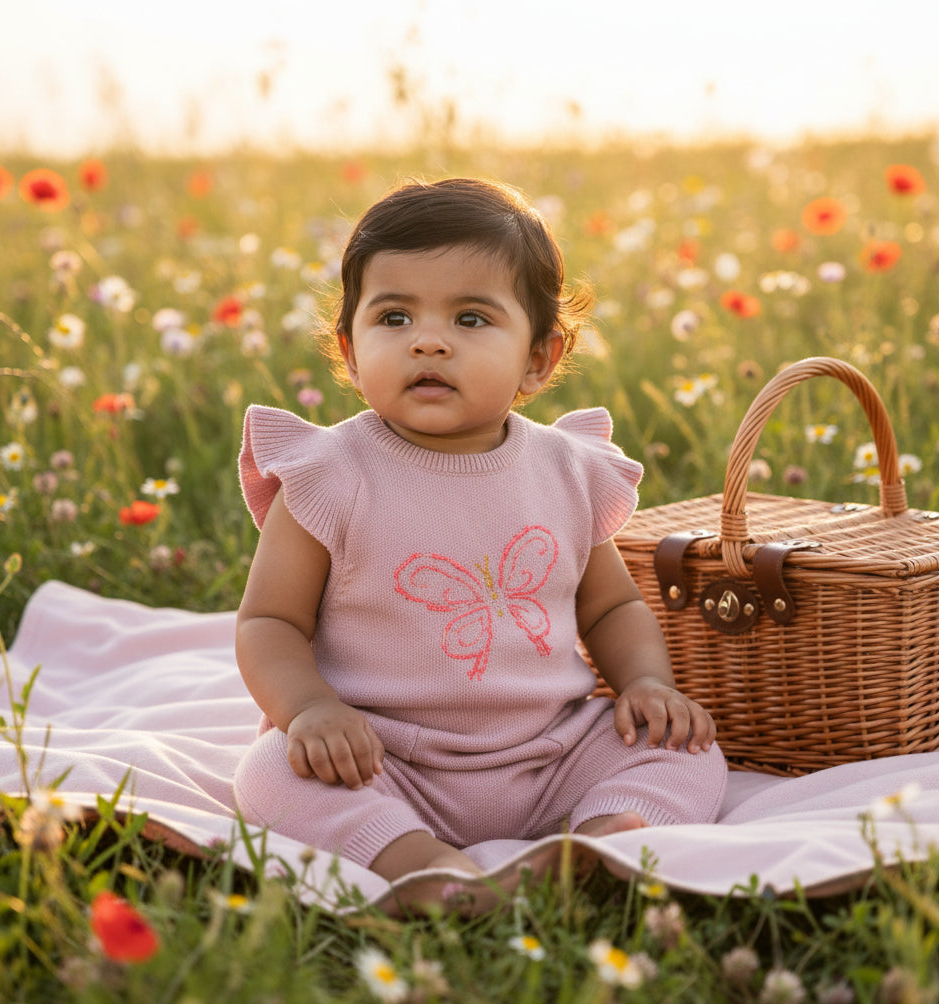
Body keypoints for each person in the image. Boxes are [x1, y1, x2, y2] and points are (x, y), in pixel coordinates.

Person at [233, 177, 726, 890]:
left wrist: (646, 683)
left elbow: (611, 607)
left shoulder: (566, 469)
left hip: (552, 751)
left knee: (685, 748)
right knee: (275, 770)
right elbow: (270, 620)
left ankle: (600, 842)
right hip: (381, 756)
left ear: (538, 359)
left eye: (470, 319)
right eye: (394, 318)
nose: (428, 342)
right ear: (349, 347)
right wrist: (311, 710)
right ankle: (419, 866)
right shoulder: (331, 474)